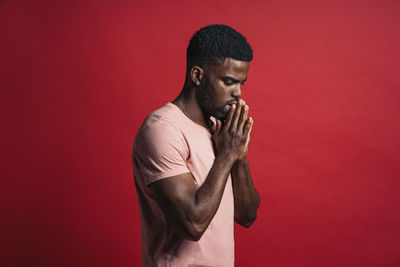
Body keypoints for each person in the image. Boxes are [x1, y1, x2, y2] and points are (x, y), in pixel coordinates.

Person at [132, 24, 260, 267]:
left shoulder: (220, 130)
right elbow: (193, 224)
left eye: (242, 83)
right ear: (198, 76)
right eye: (229, 82)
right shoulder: (162, 129)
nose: (238, 93)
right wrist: (226, 157)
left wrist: (239, 158)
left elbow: (247, 216)